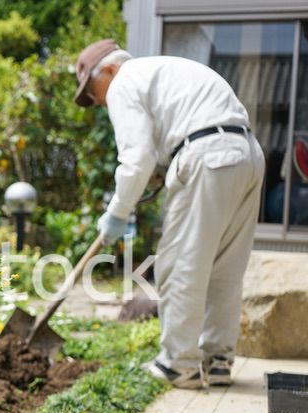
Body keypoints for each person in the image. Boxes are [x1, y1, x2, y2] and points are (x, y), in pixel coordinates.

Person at [73, 39, 264, 389]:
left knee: (179, 263)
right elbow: (161, 146)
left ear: (110, 69)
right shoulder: (162, 71)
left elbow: (136, 159)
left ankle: (178, 364)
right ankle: (217, 361)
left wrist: (116, 213)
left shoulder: (124, 82)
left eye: (92, 91)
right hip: (247, 155)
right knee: (225, 267)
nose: (97, 101)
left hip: (207, 154)